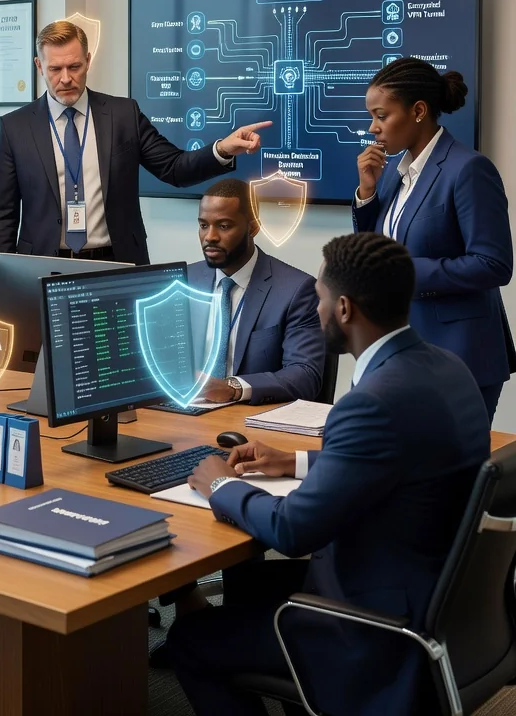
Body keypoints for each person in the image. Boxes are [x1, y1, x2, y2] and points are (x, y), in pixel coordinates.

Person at [153, 232, 490, 716]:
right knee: (248, 588)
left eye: (320, 299)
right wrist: (295, 462)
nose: (316, 310)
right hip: (437, 598)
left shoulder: (370, 402)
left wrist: (219, 484)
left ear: (345, 309)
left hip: (371, 627)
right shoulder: (445, 367)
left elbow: (292, 530)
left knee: (189, 639)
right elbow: (402, 460)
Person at [0, 20, 271, 264]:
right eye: (55, 69)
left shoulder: (123, 114)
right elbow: (2, 214)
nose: (66, 79)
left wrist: (221, 149)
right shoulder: (14, 127)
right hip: (43, 264)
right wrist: (3, 281)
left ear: (88, 59)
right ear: (39, 65)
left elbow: (174, 168)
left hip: (117, 260)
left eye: (74, 66)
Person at [353, 57, 514, 420]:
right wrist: (367, 193)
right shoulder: (396, 172)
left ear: (419, 111)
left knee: (449, 475)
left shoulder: (468, 168)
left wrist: (404, 271)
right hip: (404, 353)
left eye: (381, 115)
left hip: (460, 357)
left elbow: (494, 264)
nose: (373, 128)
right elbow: (374, 256)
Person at [189, 178, 324, 406]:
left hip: (249, 416)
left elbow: (305, 374)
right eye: (203, 225)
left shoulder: (296, 290)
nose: (210, 236)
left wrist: (233, 388)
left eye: (223, 226)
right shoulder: (186, 281)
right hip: (183, 415)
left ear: (253, 228)